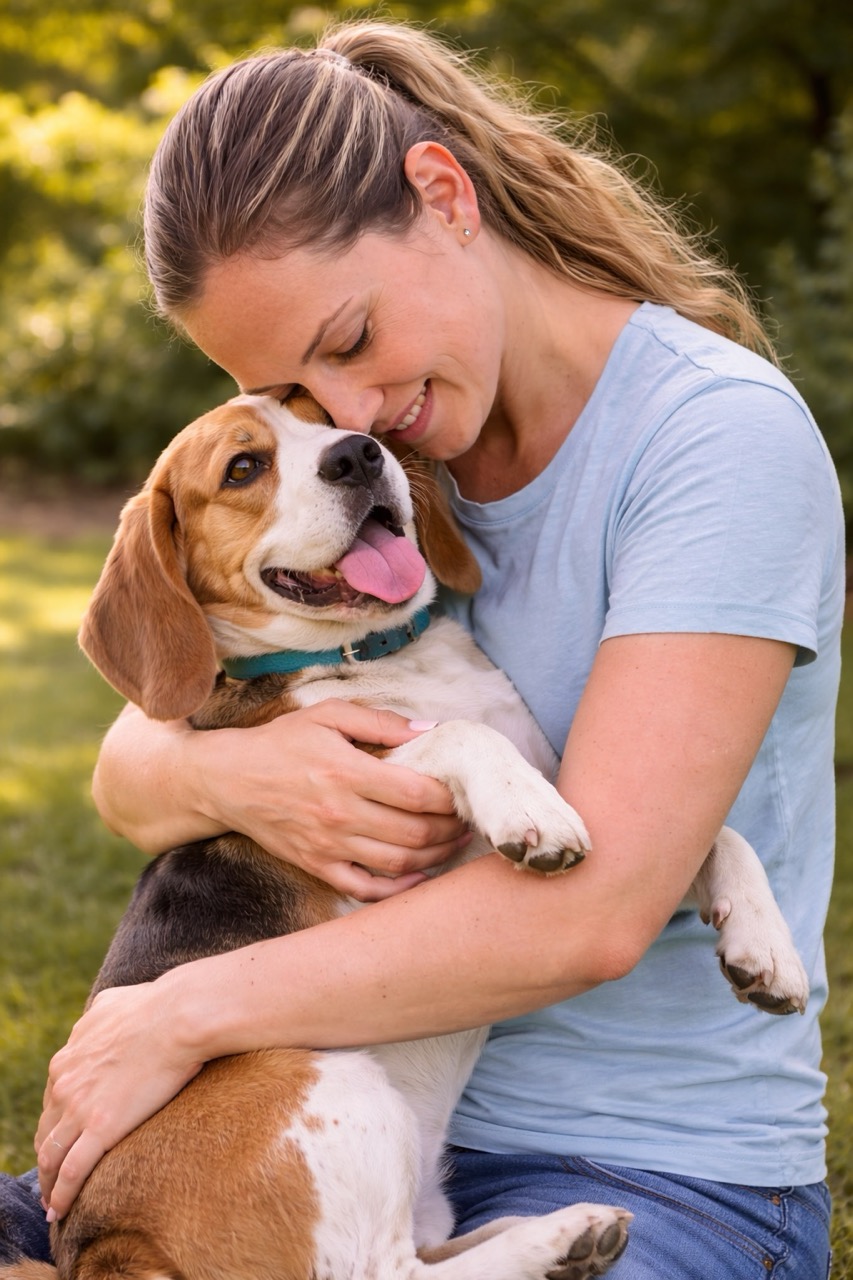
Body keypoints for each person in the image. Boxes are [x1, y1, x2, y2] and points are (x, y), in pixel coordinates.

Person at [2, 20, 843, 1279]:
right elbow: (140, 745)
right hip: (315, 1126)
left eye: (344, 344)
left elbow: (595, 915)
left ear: (445, 197)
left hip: (640, 1160)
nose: (345, 423)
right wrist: (226, 775)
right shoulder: (399, 462)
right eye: (289, 392)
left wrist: (173, 1012)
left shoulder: (711, 443)